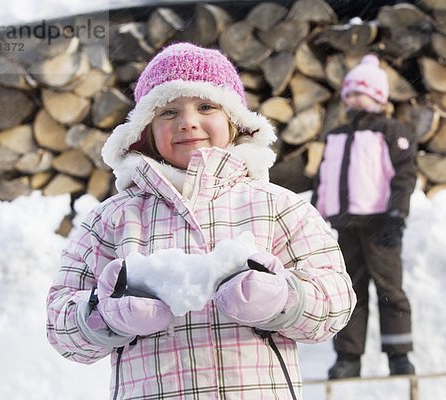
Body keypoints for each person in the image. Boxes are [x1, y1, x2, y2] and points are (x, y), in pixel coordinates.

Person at [46, 42, 356, 399]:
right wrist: (104, 314)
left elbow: (336, 304)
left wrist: (283, 298)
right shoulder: (112, 219)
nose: (187, 121)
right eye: (167, 112)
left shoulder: (278, 207)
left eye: (205, 106)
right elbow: (60, 326)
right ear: (145, 129)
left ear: (234, 119)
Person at [312, 54, 417, 378]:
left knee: (389, 289)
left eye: (362, 92)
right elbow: (324, 177)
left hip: (379, 223)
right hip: (345, 224)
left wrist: (396, 215)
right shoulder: (336, 135)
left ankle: (398, 355)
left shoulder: (391, 131)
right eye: (350, 93)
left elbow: (403, 175)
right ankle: (348, 358)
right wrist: (317, 213)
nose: (354, 98)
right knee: (350, 292)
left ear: (378, 96)